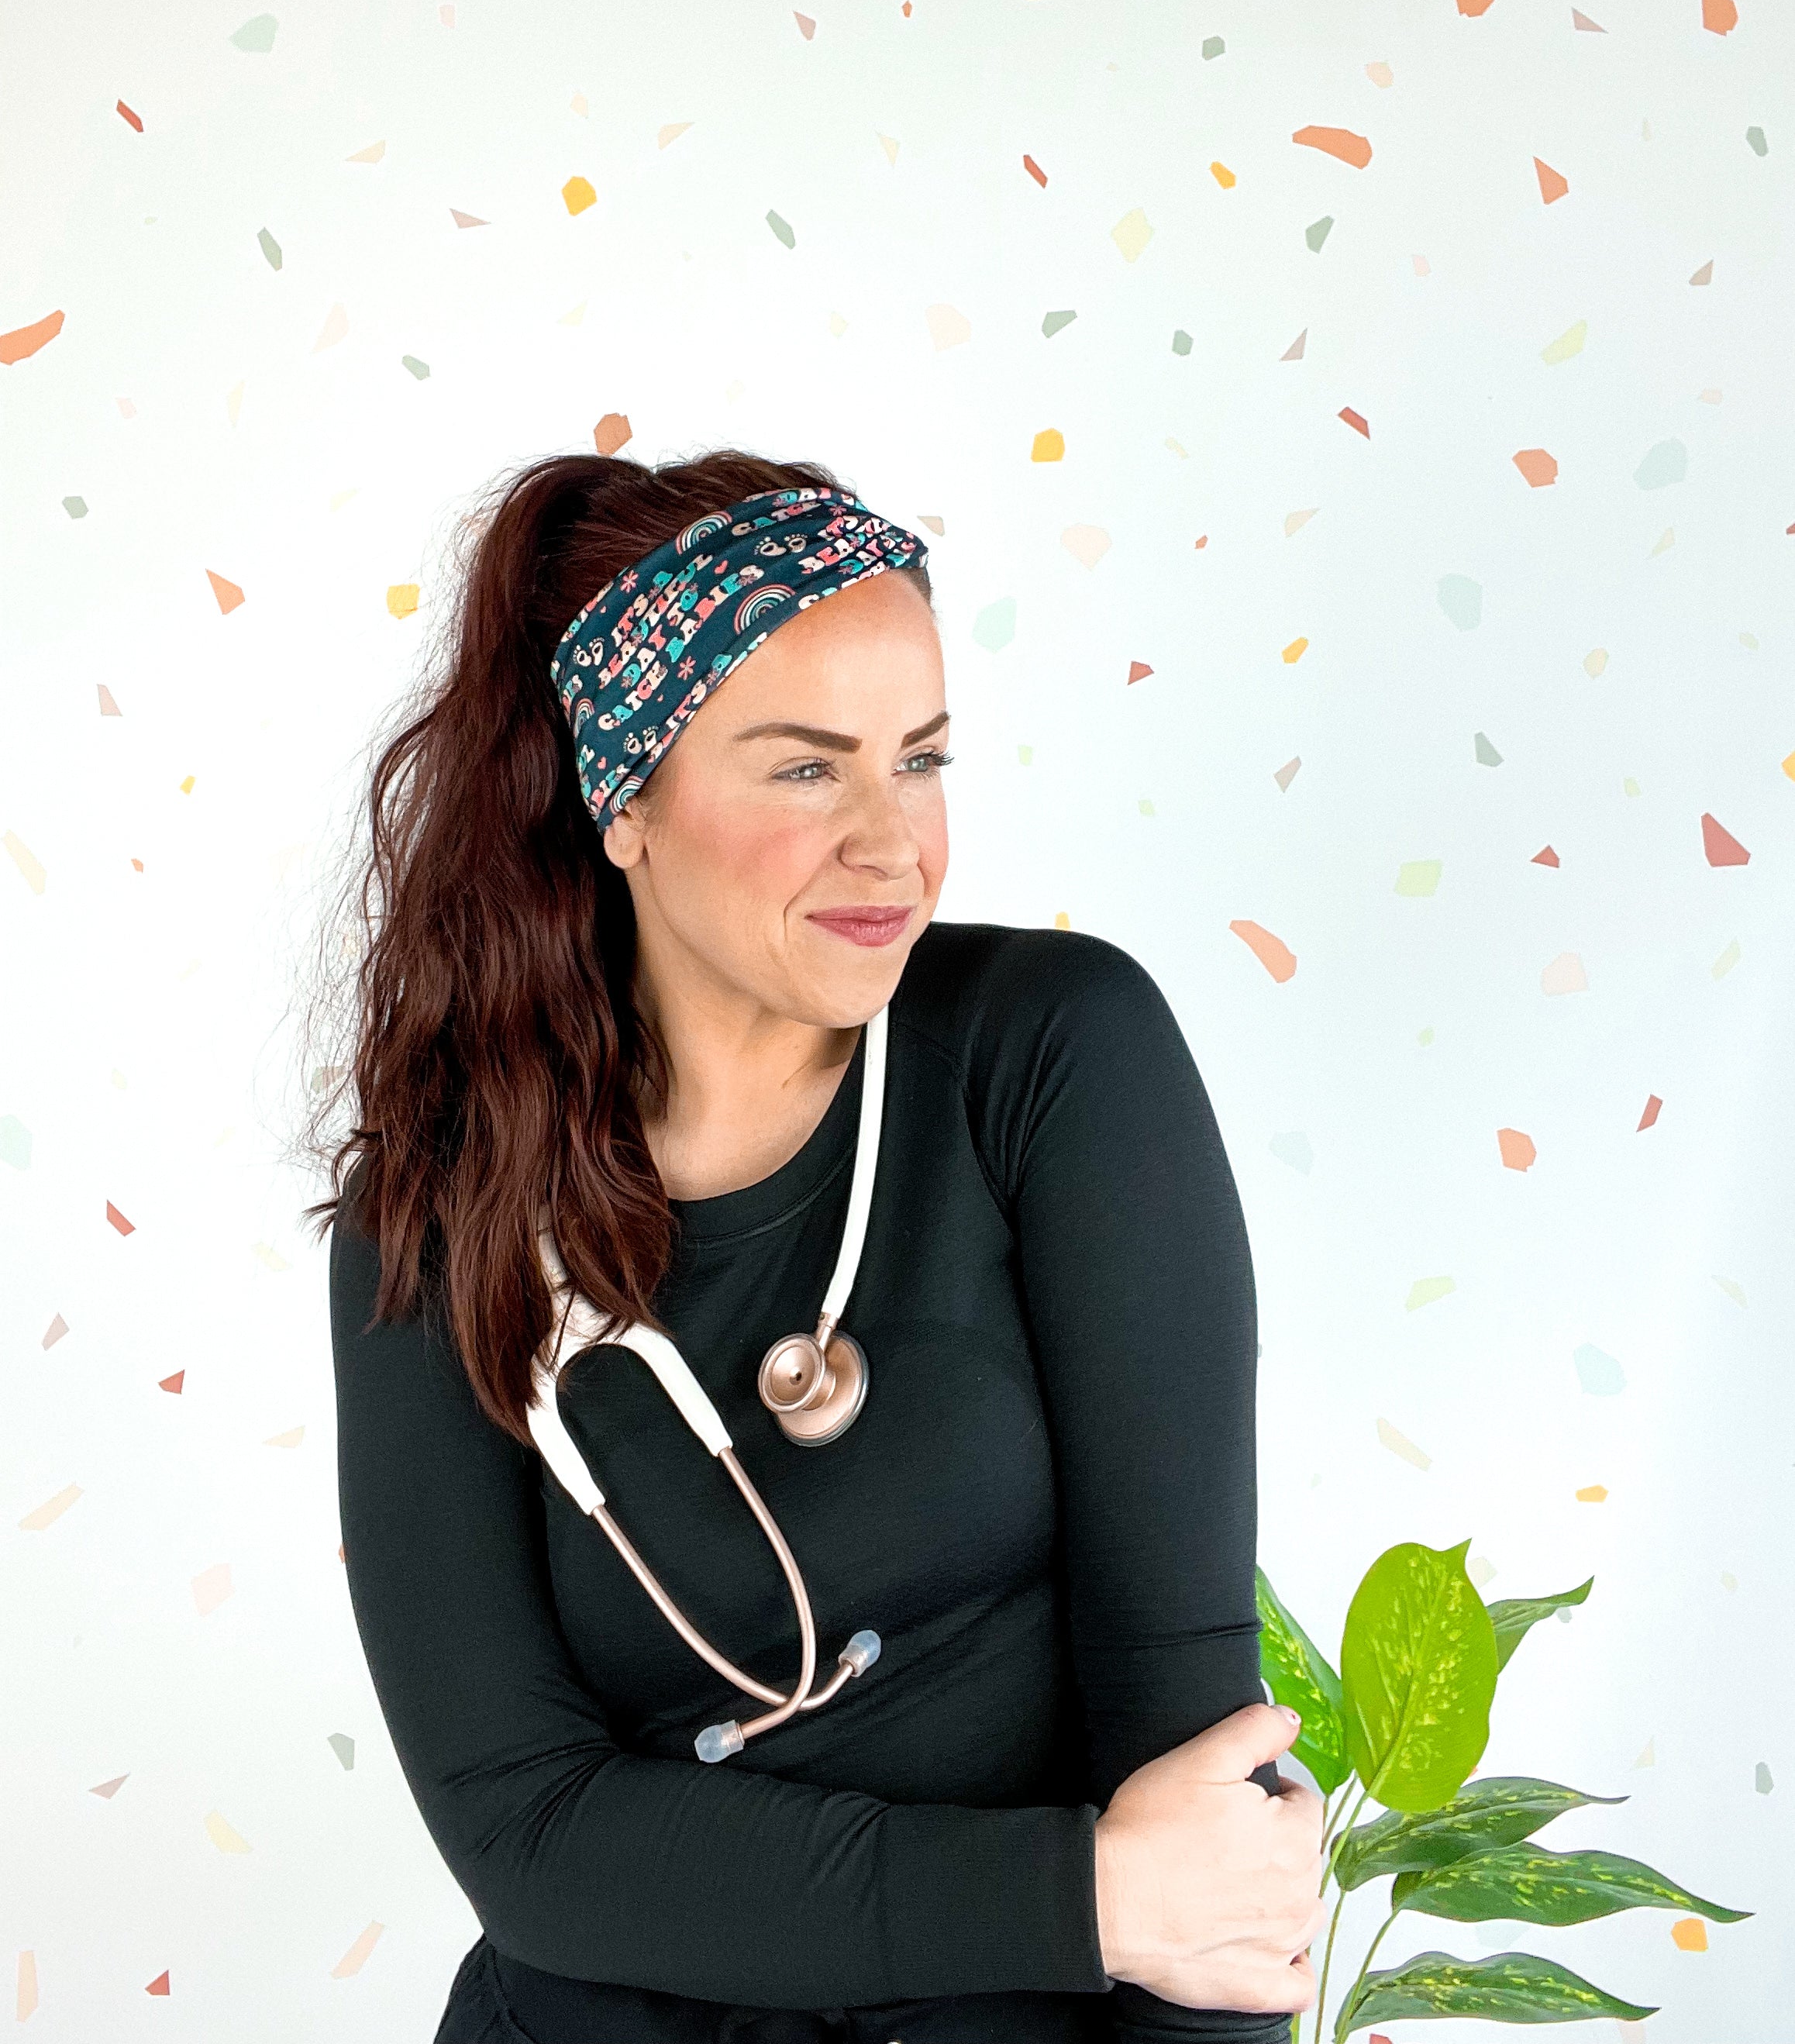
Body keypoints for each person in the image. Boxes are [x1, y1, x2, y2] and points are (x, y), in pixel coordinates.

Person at [316, 447, 1328, 2044]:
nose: (894, 844)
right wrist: (1087, 1899)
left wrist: (1142, 1907)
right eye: (804, 769)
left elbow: (1204, 1780)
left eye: (920, 759)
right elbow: (527, 1834)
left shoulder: (1051, 1057)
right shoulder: (442, 1214)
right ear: (624, 795)